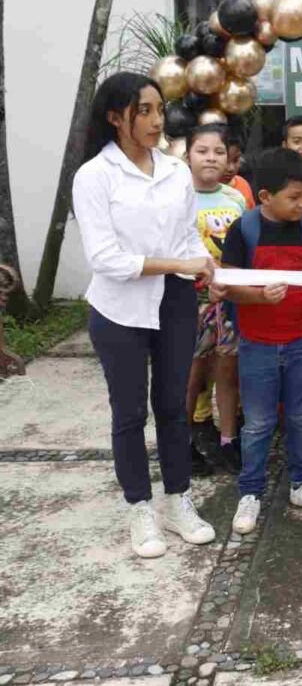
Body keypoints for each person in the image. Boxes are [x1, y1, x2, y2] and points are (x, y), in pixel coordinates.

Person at [73, 72, 217, 558]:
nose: (158, 120)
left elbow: (185, 238)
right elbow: (106, 260)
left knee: (174, 406)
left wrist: (205, 266)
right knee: (129, 412)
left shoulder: (176, 172)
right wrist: (180, 264)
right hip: (119, 309)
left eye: (160, 109)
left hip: (175, 302)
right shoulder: (94, 176)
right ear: (116, 118)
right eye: (145, 111)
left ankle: (178, 501)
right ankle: (140, 506)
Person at [216, 148, 302, 535]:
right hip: (258, 343)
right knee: (258, 423)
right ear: (265, 196)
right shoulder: (244, 229)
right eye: (294, 197)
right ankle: (250, 491)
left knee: (301, 416)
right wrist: (256, 297)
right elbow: (227, 285)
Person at [184, 123, 246, 476]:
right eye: (202, 150)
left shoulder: (235, 197)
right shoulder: (178, 196)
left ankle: (227, 439)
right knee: (191, 374)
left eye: (219, 152)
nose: (211, 158)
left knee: (227, 370)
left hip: (230, 301)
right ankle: (181, 441)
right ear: (187, 155)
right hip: (192, 302)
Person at [222, 126, 255, 207]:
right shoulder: (192, 189)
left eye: (236, 160)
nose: (231, 168)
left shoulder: (243, 184)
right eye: (225, 161)